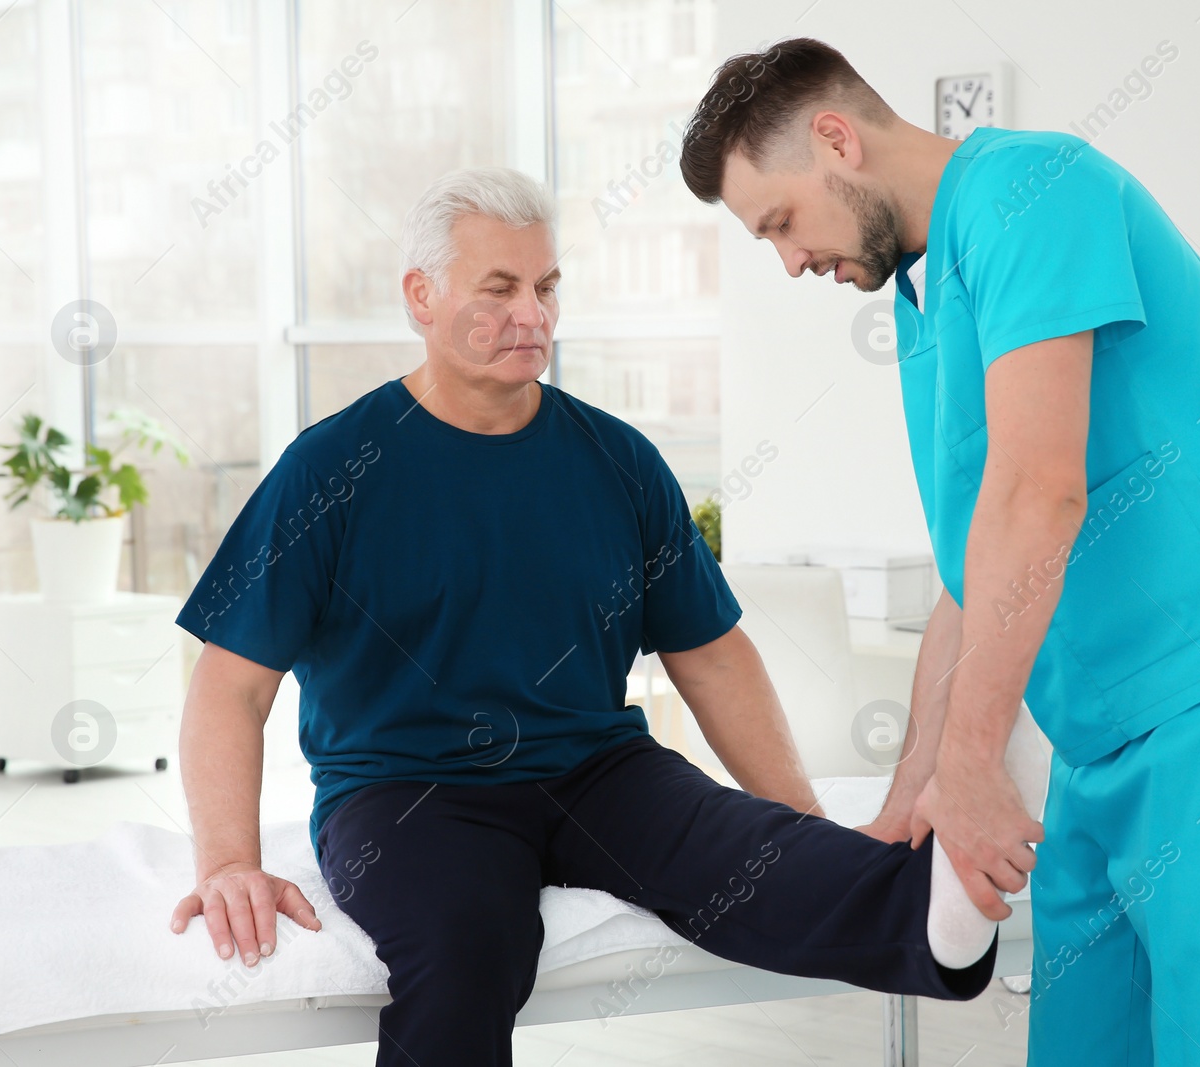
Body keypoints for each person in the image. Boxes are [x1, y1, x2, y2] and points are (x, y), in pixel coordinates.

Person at [166, 166, 998, 1066]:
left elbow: (713, 656)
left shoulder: (619, 460)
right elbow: (230, 687)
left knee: (750, 851)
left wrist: (796, 821)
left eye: (547, 286)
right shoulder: (329, 468)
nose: (534, 314)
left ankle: (934, 915)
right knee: (469, 942)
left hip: (599, 767)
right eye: (500, 289)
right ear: (421, 296)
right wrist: (227, 862)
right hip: (405, 789)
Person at [679, 37, 1200, 1066]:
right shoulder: (925, 289)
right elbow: (979, 570)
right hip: (1097, 736)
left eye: (781, 223)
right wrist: (916, 789)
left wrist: (973, 761)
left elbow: (1038, 492)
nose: (789, 262)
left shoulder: (1032, 192)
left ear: (837, 140)